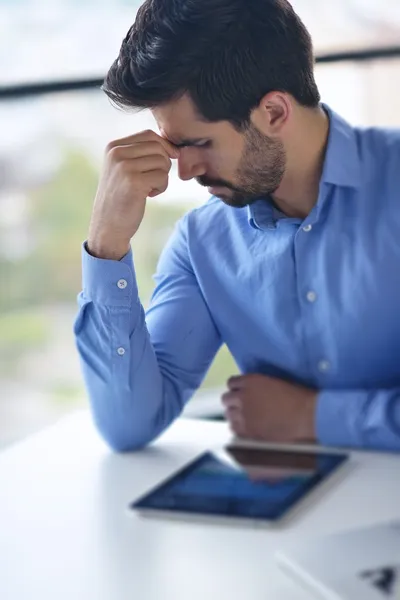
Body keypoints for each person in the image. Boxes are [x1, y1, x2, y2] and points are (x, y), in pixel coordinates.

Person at [75, 0, 400, 453]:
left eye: (200, 143)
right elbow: (129, 425)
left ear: (274, 112)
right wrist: (106, 244)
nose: (184, 171)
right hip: (292, 519)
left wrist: (311, 416)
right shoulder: (201, 244)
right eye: (174, 145)